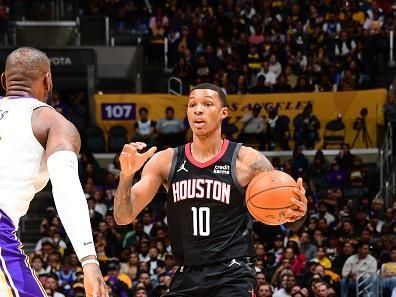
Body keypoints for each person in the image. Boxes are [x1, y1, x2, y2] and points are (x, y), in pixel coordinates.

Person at [114, 83, 308, 296]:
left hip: (233, 274)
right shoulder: (165, 161)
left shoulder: (247, 160)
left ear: (224, 112)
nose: (198, 109)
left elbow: (288, 219)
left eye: (207, 104)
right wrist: (126, 176)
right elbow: (123, 216)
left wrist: (298, 212)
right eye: (192, 104)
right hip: (187, 274)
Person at [0, 47, 108, 297]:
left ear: (4, 81)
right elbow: (67, 188)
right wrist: (89, 260)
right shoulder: (53, 122)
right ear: (48, 81)